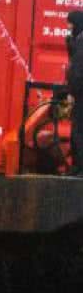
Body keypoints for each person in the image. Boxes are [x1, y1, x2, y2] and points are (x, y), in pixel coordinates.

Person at [68, 11, 83, 175]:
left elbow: (77, 71)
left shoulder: (81, 41)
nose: (68, 26)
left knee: (79, 131)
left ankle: (79, 167)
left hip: (81, 95)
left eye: (70, 22)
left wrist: (72, 91)